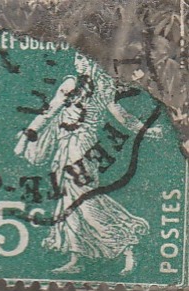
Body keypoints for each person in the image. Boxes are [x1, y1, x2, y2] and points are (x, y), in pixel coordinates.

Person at [16, 52, 163, 276]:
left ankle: (125, 240)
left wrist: (146, 130)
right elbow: (50, 111)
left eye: (84, 59)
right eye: (78, 59)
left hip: (82, 147)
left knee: (84, 201)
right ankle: (76, 258)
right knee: (68, 201)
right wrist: (31, 131)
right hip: (65, 147)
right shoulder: (71, 83)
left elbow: (122, 116)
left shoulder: (104, 86)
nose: (79, 63)